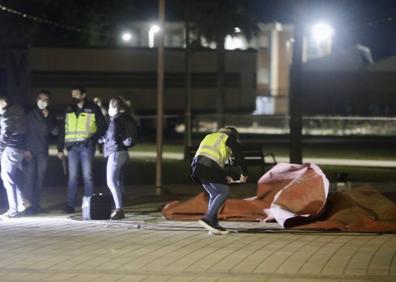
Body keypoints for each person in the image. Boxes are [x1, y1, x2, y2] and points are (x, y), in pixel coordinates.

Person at [57, 86, 106, 213]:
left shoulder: (93, 108)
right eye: (72, 95)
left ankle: (89, 204)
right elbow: (63, 128)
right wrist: (60, 148)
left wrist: (93, 139)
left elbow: (102, 126)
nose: (74, 97)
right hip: (72, 147)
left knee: (87, 176)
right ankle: (70, 205)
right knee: (72, 177)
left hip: (86, 146)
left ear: (83, 95)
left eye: (76, 95)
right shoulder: (68, 109)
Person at [192, 127, 248, 234]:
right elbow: (239, 155)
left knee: (214, 194)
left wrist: (223, 177)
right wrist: (244, 173)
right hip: (208, 166)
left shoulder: (210, 137)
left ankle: (213, 225)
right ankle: (207, 219)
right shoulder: (228, 137)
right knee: (224, 191)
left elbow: (211, 157)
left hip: (197, 166)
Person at [99, 97, 138, 220]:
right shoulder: (126, 117)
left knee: (111, 182)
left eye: (110, 107)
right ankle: (120, 204)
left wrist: (102, 140)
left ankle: (119, 209)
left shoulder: (115, 120)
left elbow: (113, 137)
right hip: (124, 153)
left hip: (115, 153)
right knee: (119, 182)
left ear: (113, 107)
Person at [24, 90, 58, 214]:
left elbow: (55, 132)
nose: (43, 102)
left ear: (49, 101)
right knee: (29, 177)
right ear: (36, 99)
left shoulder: (50, 114)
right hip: (30, 150)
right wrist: (26, 148)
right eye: (41, 99)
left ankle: (36, 204)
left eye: (46, 100)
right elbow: (24, 131)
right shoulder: (29, 112)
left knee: (40, 178)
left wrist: (48, 117)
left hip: (43, 150)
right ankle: (27, 205)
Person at [0, 97, 28, 218]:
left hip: (10, 149)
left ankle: (13, 210)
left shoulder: (7, 116)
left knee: (7, 180)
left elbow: (6, 132)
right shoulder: (18, 112)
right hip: (19, 149)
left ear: (3, 103)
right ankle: (22, 202)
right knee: (10, 178)